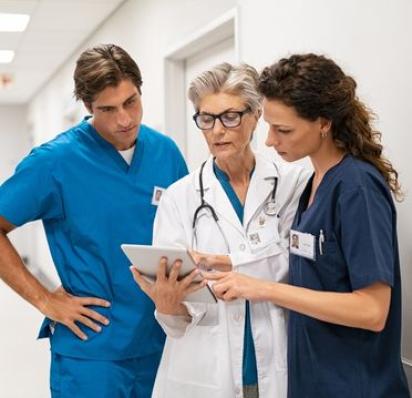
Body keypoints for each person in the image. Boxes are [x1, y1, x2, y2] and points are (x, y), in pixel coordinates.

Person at [205, 54, 411, 397]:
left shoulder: (356, 187)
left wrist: (262, 289)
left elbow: (373, 310)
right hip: (314, 382)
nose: (270, 141)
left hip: (357, 386)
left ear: (323, 123)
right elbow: (315, 268)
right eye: (269, 126)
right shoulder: (313, 182)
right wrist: (233, 265)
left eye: (283, 130)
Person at [0, 44, 188, 398]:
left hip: (163, 341)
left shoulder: (166, 153)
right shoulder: (54, 163)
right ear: (87, 107)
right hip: (93, 352)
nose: (124, 119)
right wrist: (44, 300)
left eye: (131, 102)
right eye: (108, 109)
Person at [131, 63, 309, 398]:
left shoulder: (292, 184)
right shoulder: (179, 198)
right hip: (207, 369)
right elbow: (177, 320)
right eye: (206, 118)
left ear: (257, 115)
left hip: (278, 358)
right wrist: (167, 305)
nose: (217, 130)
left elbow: (298, 268)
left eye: (230, 117)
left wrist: (232, 263)